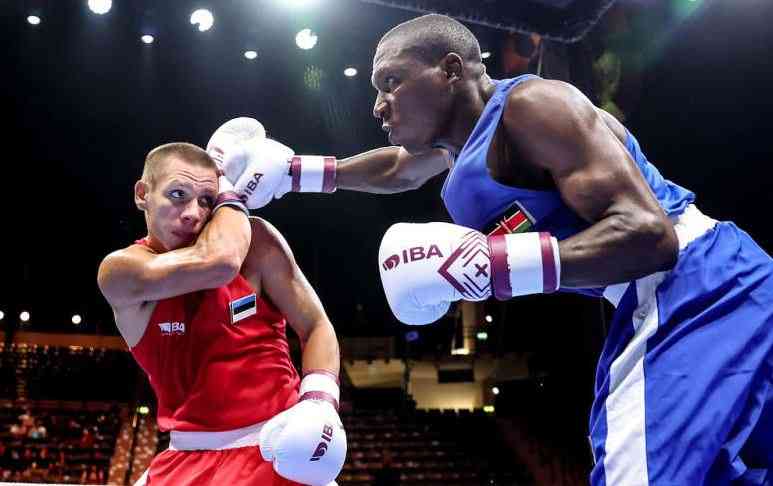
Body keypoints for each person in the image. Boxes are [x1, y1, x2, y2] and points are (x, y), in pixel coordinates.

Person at [225, 13, 773, 486]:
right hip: (701, 288)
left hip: (694, 283)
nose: (377, 105)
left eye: (391, 82)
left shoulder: (533, 106)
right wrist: (295, 172)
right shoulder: (463, 143)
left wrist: (494, 265)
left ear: (450, 70)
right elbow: (395, 170)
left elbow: (652, 237)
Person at [97, 121, 347, 486]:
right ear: (142, 194)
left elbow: (316, 326)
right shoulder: (121, 271)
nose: (193, 213)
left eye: (206, 200)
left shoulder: (256, 241)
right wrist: (230, 190)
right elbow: (219, 262)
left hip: (278, 447)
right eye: (178, 194)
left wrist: (320, 401)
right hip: (187, 458)